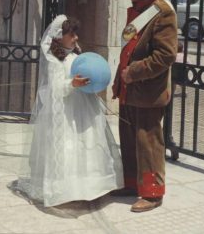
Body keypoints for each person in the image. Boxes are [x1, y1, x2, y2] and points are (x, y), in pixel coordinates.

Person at [15, 15, 123, 207]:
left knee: (89, 142)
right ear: (59, 37)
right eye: (71, 35)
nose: (75, 39)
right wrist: (72, 83)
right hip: (66, 110)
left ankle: (91, 186)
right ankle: (67, 188)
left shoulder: (75, 55)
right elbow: (55, 88)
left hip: (84, 106)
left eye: (76, 35)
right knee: (69, 145)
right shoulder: (55, 59)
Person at [111, 0, 178, 212]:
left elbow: (166, 55)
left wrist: (134, 72)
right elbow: (129, 49)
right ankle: (132, 184)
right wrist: (120, 80)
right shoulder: (141, 8)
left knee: (148, 142)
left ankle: (152, 193)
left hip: (148, 90)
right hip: (130, 87)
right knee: (129, 140)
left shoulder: (162, 12)